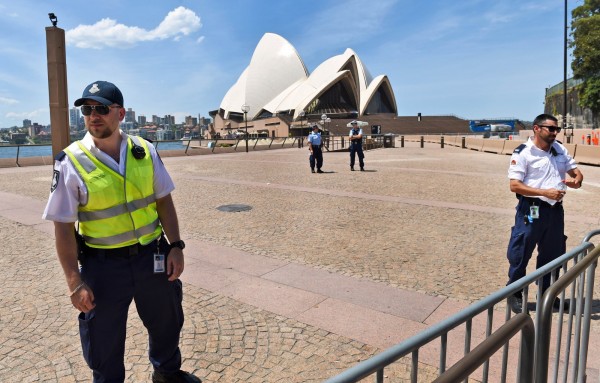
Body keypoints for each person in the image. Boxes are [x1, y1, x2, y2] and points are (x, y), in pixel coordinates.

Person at [42, 81, 201, 383]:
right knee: (103, 339)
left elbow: (163, 200)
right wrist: (74, 281)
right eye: (87, 110)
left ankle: (167, 374)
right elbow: (62, 227)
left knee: (167, 322)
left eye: (101, 108)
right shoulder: (70, 161)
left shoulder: (144, 149)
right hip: (103, 267)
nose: (93, 116)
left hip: (151, 256)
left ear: (121, 113)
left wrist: (176, 245)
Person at [505, 113, 583, 314]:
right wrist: (544, 192)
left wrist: (577, 179)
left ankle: (548, 295)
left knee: (553, 253)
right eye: (551, 129)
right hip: (532, 209)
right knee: (522, 249)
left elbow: (576, 172)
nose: (555, 133)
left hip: (555, 211)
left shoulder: (559, 149)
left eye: (557, 129)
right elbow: (514, 186)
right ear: (537, 128)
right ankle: (515, 292)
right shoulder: (523, 152)